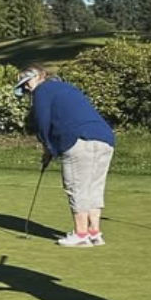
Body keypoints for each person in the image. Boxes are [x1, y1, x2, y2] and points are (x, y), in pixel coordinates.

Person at [14, 67, 116, 246]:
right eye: (23, 87)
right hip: (105, 138)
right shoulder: (64, 87)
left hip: (79, 138)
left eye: (27, 83)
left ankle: (81, 234)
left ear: (38, 76)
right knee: (93, 187)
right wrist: (50, 149)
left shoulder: (41, 90)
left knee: (76, 187)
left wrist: (48, 149)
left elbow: (42, 122)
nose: (27, 89)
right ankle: (94, 233)